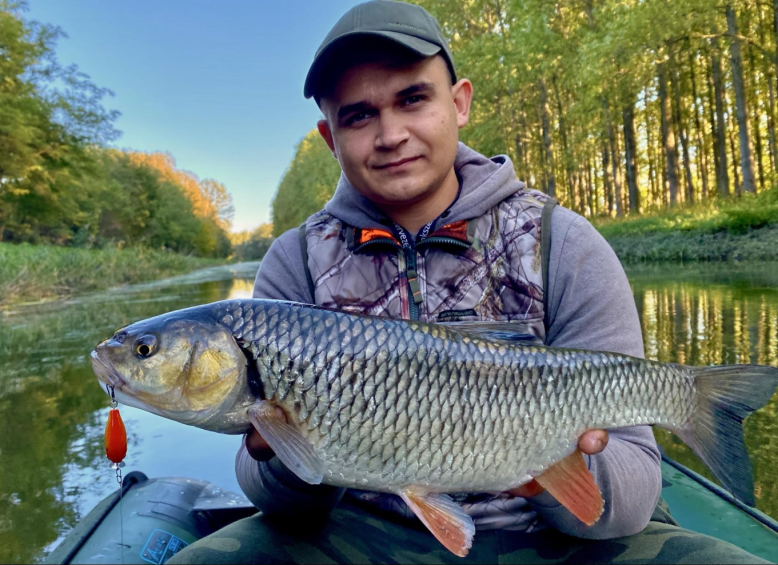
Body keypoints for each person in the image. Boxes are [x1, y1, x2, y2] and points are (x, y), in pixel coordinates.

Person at [170, 2, 766, 563]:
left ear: (459, 103)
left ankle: (695, 400)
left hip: (553, 536)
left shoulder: (565, 242)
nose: (390, 134)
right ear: (330, 137)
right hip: (363, 530)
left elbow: (629, 504)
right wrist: (276, 451)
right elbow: (274, 501)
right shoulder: (294, 261)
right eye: (358, 115)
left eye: (412, 99)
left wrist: (542, 465)